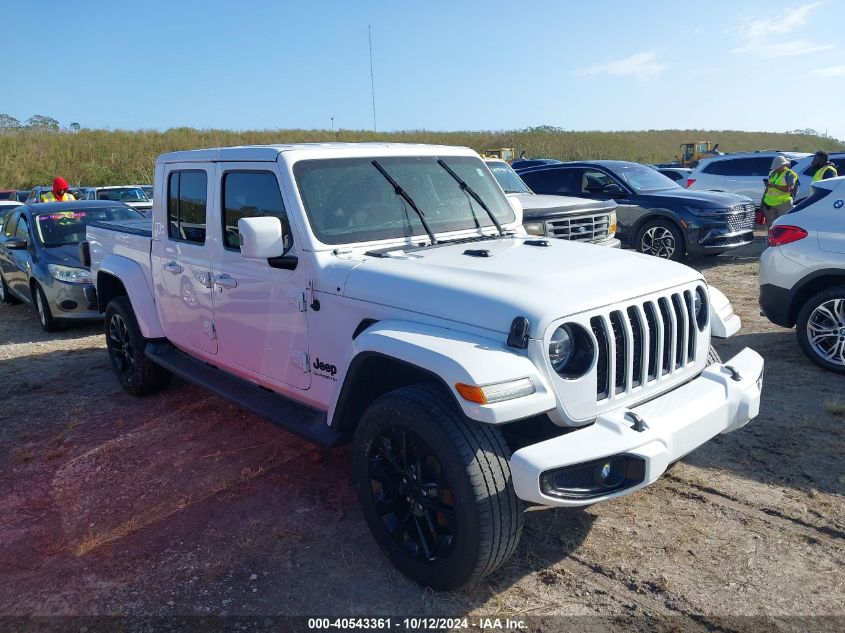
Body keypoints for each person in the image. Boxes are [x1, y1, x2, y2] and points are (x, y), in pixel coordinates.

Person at [761, 156, 797, 226]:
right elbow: (767, 188)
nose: (775, 169)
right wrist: (763, 201)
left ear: (783, 165)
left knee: (782, 225)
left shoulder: (789, 174)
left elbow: (788, 189)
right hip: (769, 203)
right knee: (770, 226)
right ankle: (770, 237)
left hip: (783, 204)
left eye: (777, 167)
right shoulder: (772, 173)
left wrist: (773, 185)